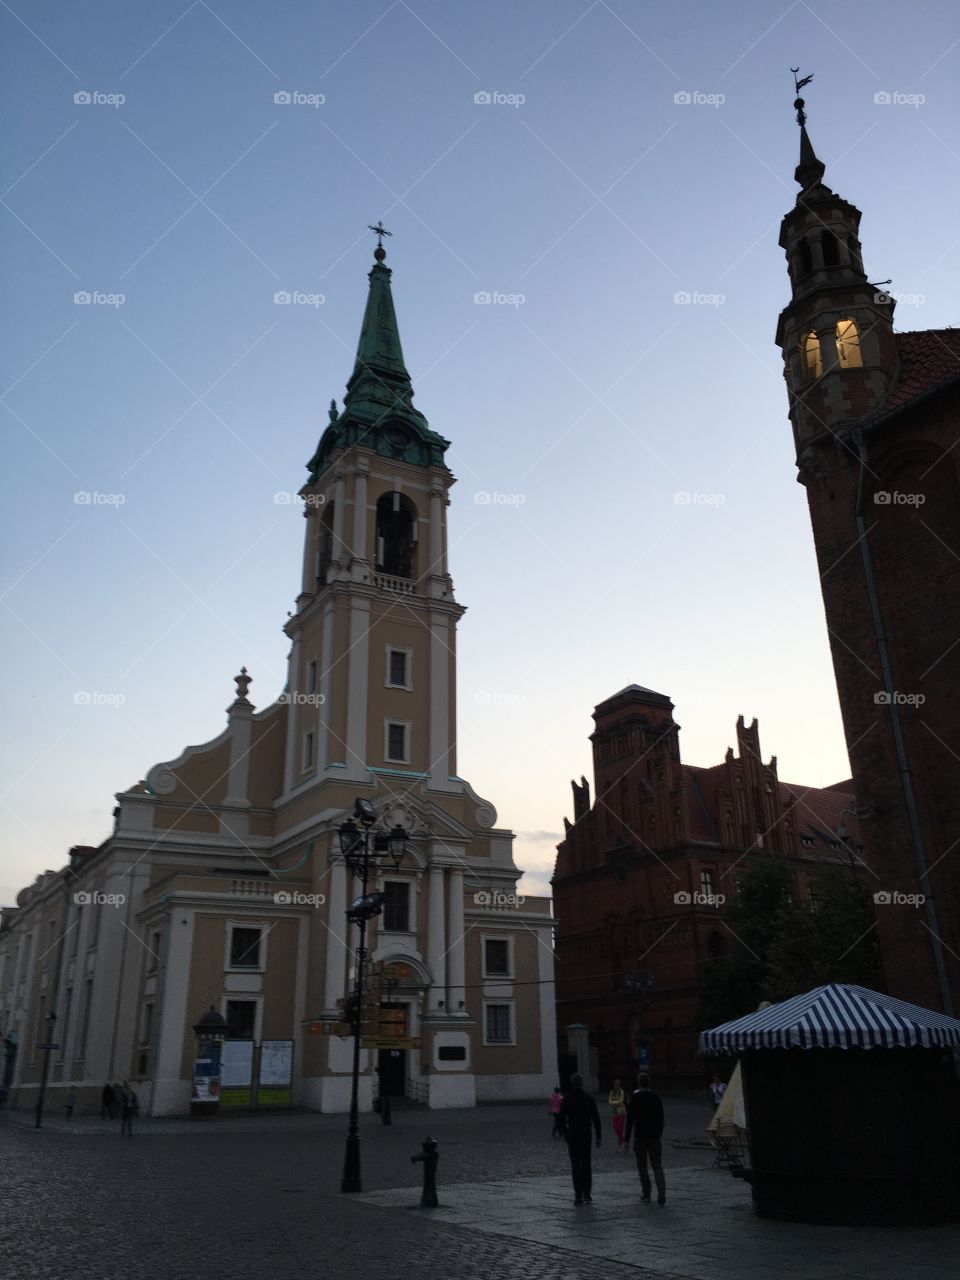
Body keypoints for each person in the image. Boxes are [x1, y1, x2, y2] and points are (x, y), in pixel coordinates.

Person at [624, 1072, 666, 1206]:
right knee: (657, 1165)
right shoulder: (656, 1097)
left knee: (642, 1166)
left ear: (638, 1083)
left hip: (640, 1136)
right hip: (654, 1136)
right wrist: (659, 1134)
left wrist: (626, 1139)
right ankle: (661, 1192)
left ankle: (647, 1193)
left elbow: (630, 1120)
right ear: (649, 1083)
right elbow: (661, 1119)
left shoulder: (635, 1098)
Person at [559, 1072, 601, 1205]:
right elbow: (596, 1118)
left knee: (575, 1164)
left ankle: (578, 1194)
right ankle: (587, 1193)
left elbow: (561, 1118)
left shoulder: (567, 1098)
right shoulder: (588, 1098)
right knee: (586, 1163)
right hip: (586, 1133)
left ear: (572, 1083)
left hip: (573, 1134)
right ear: (582, 1083)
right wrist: (598, 1136)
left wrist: (564, 1133)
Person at [608, 1078, 627, 1151]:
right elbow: (610, 1101)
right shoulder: (612, 1092)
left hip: (621, 1112)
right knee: (616, 1129)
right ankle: (625, 1142)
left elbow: (621, 1101)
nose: (617, 1085)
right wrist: (616, 1102)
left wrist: (614, 1102)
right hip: (615, 1112)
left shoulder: (622, 1092)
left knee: (620, 1129)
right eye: (616, 1084)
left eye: (618, 1084)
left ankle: (620, 1146)